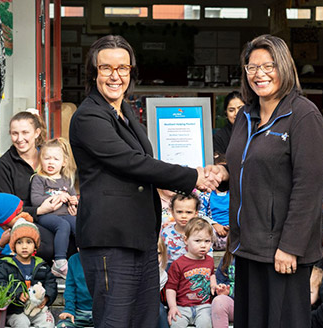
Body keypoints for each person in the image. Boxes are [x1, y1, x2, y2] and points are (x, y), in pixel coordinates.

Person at [69, 35, 220, 327]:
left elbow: (143, 163)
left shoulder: (125, 112)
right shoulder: (88, 116)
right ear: (93, 73)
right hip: (111, 241)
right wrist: (192, 176)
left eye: (123, 68)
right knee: (115, 321)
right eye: (106, 68)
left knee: (144, 321)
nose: (116, 76)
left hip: (140, 239)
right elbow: (130, 162)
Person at [208, 34, 323, 328]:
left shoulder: (303, 116)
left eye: (268, 66)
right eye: (252, 67)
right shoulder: (247, 115)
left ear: (284, 67)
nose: (259, 74)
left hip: (281, 251)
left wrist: (290, 246)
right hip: (247, 245)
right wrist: (223, 174)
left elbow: (309, 187)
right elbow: (244, 163)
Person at [0, 110, 74, 263]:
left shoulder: (49, 156)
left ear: (37, 133)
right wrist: (39, 210)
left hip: (57, 215)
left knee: (78, 233)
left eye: (25, 132)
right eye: (14, 133)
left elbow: (65, 184)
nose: (20, 139)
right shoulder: (3, 166)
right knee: (50, 246)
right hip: (24, 219)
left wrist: (71, 203)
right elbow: (3, 212)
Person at [0, 218, 57, 328]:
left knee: (48, 322)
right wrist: (17, 293)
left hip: (37, 309)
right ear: (13, 246)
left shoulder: (42, 265)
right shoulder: (5, 265)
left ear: (35, 245)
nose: (24, 246)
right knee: (22, 323)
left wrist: (46, 298)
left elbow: (51, 284)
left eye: (29, 242)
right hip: (15, 310)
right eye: (19, 242)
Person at [31, 138, 78, 279]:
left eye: (56, 159)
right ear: (41, 160)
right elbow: (35, 200)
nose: (51, 162)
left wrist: (73, 202)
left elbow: (73, 197)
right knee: (63, 225)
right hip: (47, 216)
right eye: (47, 158)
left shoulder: (66, 179)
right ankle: (59, 262)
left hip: (65, 214)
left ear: (64, 162)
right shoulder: (39, 178)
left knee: (77, 224)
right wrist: (56, 198)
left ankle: (85, 256)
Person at [165, 218, 216, 328]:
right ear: (186, 240)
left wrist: (213, 284)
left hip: (204, 306)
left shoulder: (210, 260)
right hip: (182, 307)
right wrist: (172, 307)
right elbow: (171, 288)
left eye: (207, 241)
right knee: (175, 324)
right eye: (197, 241)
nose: (203, 245)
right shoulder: (178, 264)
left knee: (206, 324)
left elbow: (211, 274)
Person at [161, 193, 212, 267]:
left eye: (188, 212)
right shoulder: (166, 232)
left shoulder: (201, 232)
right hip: (172, 270)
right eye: (179, 212)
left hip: (195, 269)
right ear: (172, 212)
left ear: (196, 214)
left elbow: (208, 253)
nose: (184, 216)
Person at [199, 153, 230, 250]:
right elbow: (200, 213)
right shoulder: (206, 194)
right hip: (212, 231)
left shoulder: (235, 193)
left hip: (231, 232)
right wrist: (214, 224)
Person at [55, 252, 94, 328]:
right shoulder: (73, 260)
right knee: (63, 326)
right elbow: (70, 288)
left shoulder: (103, 259)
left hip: (101, 313)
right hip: (78, 313)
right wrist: (69, 310)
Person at [211, 237, 235, 328]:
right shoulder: (228, 258)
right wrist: (221, 290)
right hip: (233, 305)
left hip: (254, 306)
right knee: (219, 301)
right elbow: (220, 281)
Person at [213, 91, 245, 155]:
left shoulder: (256, 130)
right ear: (226, 114)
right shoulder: (220, 137)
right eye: (231, 110)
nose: (237, 113)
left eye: (241, 108)